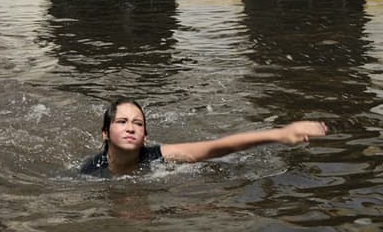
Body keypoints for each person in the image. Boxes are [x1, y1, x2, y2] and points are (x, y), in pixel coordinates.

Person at [80, 98, 329, 177]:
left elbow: (216, 148)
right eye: (121, 122)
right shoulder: (91, 171)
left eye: (138, 123)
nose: (131, 128)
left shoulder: (158, 157)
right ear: (105, 133)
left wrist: (280, 134)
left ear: (145, 135)